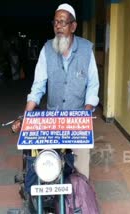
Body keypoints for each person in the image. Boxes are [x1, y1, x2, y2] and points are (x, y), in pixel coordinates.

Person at [12, 3, 99, 179]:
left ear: (73, 26)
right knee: (48, 166)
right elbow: (38, 85)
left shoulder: (86, 50)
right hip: (54, 119)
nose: (58, 26)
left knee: (81, 170)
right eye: (55, 22)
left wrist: (86, 113)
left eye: (63, 22)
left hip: (78, 119)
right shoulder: (47, 50)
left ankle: (78, 201)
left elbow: (93, 85)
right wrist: (26, 116)